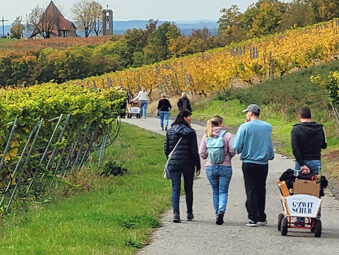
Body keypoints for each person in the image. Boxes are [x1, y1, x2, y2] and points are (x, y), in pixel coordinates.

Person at [233, 104, 274, 227]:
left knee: (251, 189)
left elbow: (236, 146)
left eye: (247, 113)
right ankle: (261, 216)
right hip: (263, 163)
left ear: (250, 113)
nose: (246, 115)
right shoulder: (267, 127)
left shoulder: (244, 127)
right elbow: (269, 143)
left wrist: (241, 149)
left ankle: (253, 217)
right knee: (261, 189)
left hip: (249, 162)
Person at [164, 110, 201, 223]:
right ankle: (189, 213)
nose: (190, 118)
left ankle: (176, 214)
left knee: (176, 188)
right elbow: (194, 151)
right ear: (184, 118)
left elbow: (166, 149)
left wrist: (171, 159)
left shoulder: (170, 131)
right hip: (188, 163)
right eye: (189, 116)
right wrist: (197, 165)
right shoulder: (190, 132)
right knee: (188, 188)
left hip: (174, 163)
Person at [199, 115, 235, 225]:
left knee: (215, 191)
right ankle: (221, 211)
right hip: (225, 166)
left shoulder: (207, 135)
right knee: (223, 191)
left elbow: (202, 153)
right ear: (220, 123)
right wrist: (228, 157)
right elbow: (233, 150)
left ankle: (216, 214)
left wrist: (207, 157)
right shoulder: (228, 135)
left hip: (210, 167)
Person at [291, 106, 327, 176]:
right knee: (316, 185)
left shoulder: (295, 129)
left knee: (299, 185)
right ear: (310, 116)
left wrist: (302, 164)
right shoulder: (320, 128)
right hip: (315, 161)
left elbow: (295, 149)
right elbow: (324, 145)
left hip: (301, 162)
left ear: (300, 116)